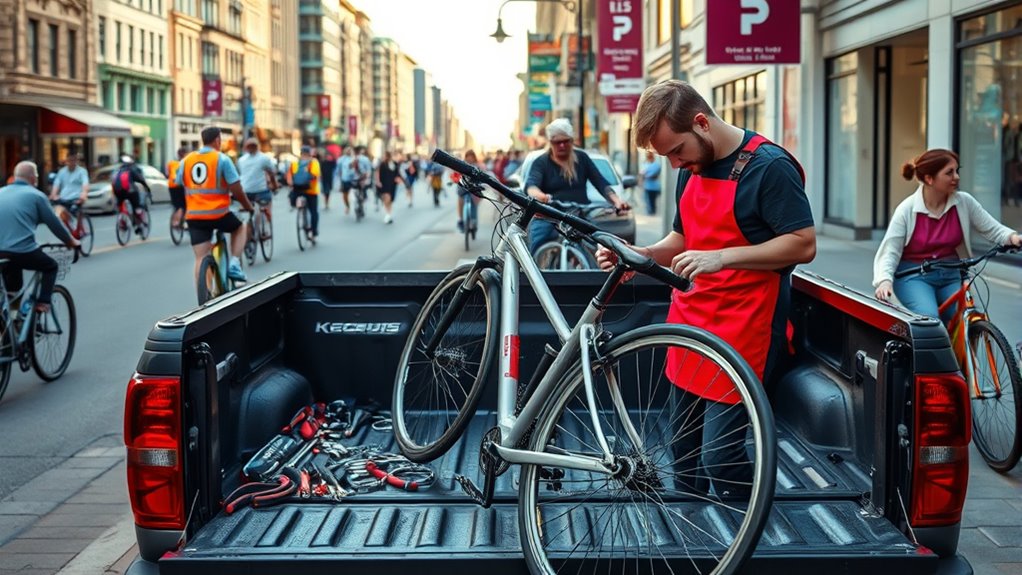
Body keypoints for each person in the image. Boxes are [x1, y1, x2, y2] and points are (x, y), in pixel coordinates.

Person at [595, 79, 816, 497]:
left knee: (721, 456)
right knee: (682, 451)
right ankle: (695, 537)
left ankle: (751, 532)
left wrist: (723, 256)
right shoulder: (691, 167)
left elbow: (803, 244)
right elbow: (681, 239)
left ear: (701, 122)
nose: (676, 164)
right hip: (691, 324)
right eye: (667, 157)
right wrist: (638, 254)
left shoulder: (769, 167)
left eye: (677, 151)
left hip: (745, 328)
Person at [873, 148, 1021, 320]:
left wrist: (1012, 238)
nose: (956, 177)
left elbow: (992, 228)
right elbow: (890, 251)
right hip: (914, 276)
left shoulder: (964, 202)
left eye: (957, 171)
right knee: (929, 319)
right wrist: (884, 280)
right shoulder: (907, 209)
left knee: (968, 316)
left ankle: (963, 346)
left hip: (951, 274)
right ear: (929, 179)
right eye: (949, 173)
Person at [525, 119, 630, 253]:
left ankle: (591, 271)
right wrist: (540, 196)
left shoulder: (582, 158)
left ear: (572, 141)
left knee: (596, 249)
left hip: (578, 215)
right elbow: (531, 185)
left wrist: (617, 201)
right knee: (536, 245)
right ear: (550, 142)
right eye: (557, 142)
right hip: (549, 215)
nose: (562, 145)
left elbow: (601, 183)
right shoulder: (541, 162)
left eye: (566, 141)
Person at [177, 126, 254, 284]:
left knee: (200, 257)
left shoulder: (186, 161)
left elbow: (179, 183)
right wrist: (247, 206)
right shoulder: (222, 159)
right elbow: (237, 189)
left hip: (195, 217)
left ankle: (205, 299)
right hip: (219, 215)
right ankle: (234, 264)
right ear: (218, 140)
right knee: (240, 227)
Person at [0, 161, 80, 313]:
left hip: (1, 253)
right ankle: (43, 302)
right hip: (22, 251)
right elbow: (54, 223)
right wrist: (71, 241)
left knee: (12, 287)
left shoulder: (0, 192)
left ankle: (12, 322)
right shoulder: (37, 196)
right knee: (50, 266)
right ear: (33, 178)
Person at [238, 138, 279, 220]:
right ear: (258, 147)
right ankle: (267, 211)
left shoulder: (241, 160)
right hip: (261, 192)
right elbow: (272, 173)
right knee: (268, 198)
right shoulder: (264, 158)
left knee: (249, 217)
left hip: (245, 192)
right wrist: (275, 186)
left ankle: (250, 227)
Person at [287, 145, 321, 239]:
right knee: (314, 212)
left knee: (292, 196)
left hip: (297, 190)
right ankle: (314, 232)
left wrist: (291, 184)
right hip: (311, 191)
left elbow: (289, 177)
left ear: (301, 154)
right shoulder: (314, 162)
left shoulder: (295, 163)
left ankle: (294, 205)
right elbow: (316, 176)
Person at [49, 153, 90, 228]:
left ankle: (77, 228)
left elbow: (85, 184)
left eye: (74, 160)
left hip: (76, 198)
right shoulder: (62, 172)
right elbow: (56, 184)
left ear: (77, 161)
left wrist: (84, 194)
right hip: (64, 198)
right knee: (57, 213)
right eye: (69, 160)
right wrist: (53, 195)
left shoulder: (82, 171)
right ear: (66, 161)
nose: (71, 163)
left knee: (74, 211)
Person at [112, 154, 151, 232]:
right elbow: (140, 179)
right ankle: (139, 224)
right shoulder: (131, 169)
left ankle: (122, 218)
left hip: (117, 191)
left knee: (121, 205)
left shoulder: (117, 170)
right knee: (137, 206)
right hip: (130, 191)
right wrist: (147, 188)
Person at [452, 150, 484, 233]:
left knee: (475, 203)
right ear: (466, 157)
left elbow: (482, 177)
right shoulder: (462, 165)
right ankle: (460, 220)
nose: (470, 159)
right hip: (463, 188)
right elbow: (455, 175)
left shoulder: (477, 166)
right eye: (468, 157)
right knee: (460, 200)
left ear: (474, 158)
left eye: (471, 157)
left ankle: (473, 221)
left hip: (474, 189)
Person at [375, 151, 404, 224]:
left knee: (390, 200)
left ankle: (389, 215)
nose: (384, 157)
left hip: (392, 184)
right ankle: (387, 214)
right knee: (386, 198)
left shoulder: (394, 163)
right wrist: (378, 182)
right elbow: (378, 174)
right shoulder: (382, 164)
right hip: (384, 183)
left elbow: (397, 173)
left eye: (385, 156)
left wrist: (398, 178)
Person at [166, 147, 188, 228]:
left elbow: (167, 174)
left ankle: (174, 221)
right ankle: (178, 222)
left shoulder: (171, 163)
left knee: (176, 205)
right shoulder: (185, 163)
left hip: (171, 186)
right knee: (183, 205)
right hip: (180, 185)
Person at [639, 149, 662, 216]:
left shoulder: (656, 165)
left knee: (652, 200)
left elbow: (653, 175)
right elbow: (641, 174)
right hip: (647, 186)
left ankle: (652, 212)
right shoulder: (645, 164)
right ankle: (650, 212)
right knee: (647, 200)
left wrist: (645, 175)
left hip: (654, 186)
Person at [336, 146, 356, 215]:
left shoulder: (355, 158)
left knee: (357, 193)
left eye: (350, 150)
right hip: (345, 179)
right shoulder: (341, 160)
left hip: (355, 179)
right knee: (345, 195)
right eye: (347, 150)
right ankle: (347, 206)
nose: (349, 151)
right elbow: (338, 170)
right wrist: (340, 180)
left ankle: (359, 204)